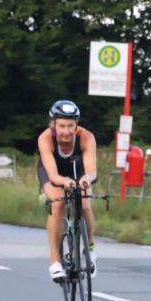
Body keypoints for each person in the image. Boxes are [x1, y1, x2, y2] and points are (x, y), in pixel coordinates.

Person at [37, 100, 99, 281]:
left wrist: (86, 179)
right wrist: (65, 182)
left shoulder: (86, 137)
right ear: (53, 125)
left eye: (70, 126)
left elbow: (91, 171)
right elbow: (54, 176)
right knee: (58, 205)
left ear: (76, 125)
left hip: (77, 168)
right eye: (62, 126)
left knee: (85, 206)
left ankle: (91, 251)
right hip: (52, 172)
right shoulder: (45, 138)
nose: (66, 131)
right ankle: (55, 262)